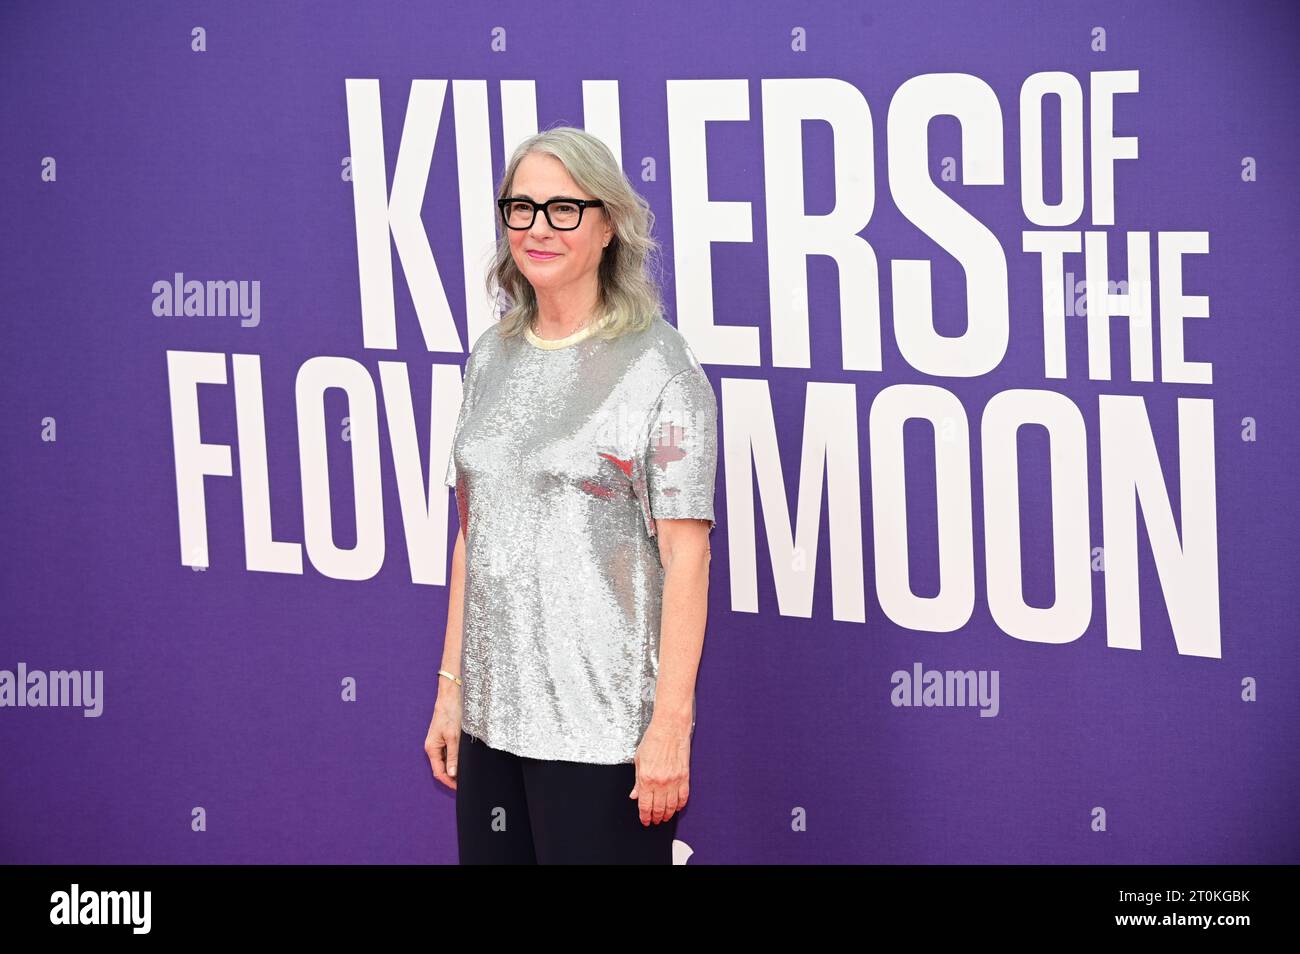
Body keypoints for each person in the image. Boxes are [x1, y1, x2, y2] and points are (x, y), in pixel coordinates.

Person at [422, 126, 718, 864]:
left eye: (563, 209)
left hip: (603, 735)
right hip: (493, 728)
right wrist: (451, 687)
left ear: (608, 222)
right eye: (520, 208)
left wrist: (670, 724)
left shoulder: (659, 368)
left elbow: (688, 556)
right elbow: (473, 534)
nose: (536, 228)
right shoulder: (491, 355)